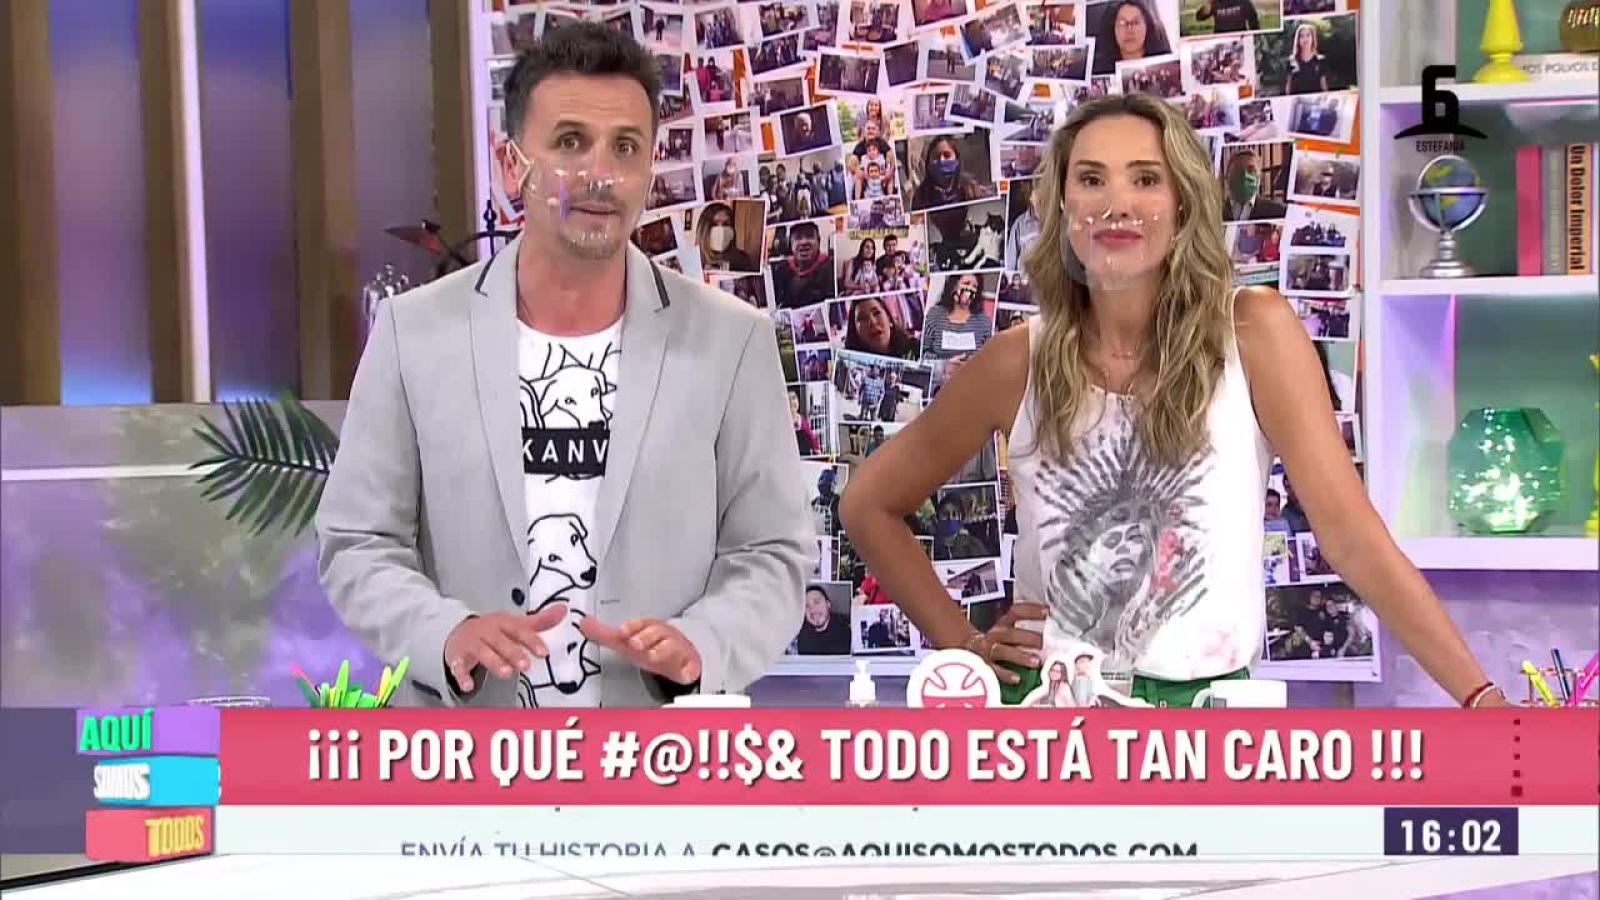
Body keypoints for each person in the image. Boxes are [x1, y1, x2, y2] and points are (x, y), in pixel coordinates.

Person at [837, 92, 1509, 709]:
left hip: (1208, 721)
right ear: (1062, 205)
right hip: (1049, 718)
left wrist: (1482, 700)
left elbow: (1353, 540)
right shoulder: (1016, 360)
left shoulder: (1255, 332)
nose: (1116, 203)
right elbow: (868, 504)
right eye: (1091, 179)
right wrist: (966, 645)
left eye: (1145, 179)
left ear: (1183, 201)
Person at [317, 24, 812, 710]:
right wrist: (443, 633)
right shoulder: (414, 334)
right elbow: (358, 542)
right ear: (510, 164)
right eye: (571, 142)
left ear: (649, 170)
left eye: (625, 147)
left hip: (661, 754)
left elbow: (774, 552)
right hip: (466, 752)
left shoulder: (732, 342)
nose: (599, 175)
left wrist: (704, 643)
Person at [922, 273, 995, 362]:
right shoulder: (935, 314)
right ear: (953, 286)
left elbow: (990, 356)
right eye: (966, 283)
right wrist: (946, 362)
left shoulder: (983, 322)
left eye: (975, 287)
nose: (970, 289)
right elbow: (923, 353)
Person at [1091, 1, 1171, 76]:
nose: (1129, 30)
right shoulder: (1097, 71)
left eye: (1136, 22)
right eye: (1122, 23)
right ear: (1112, 29)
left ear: (1147, 26)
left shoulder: (1167, 64)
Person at [911, 136, 989, 211]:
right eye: (935, 156)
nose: (941, 160)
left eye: (947, 155)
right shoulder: (921, 196)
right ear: (929, 162)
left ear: (957, 159)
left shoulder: (972, 189)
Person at [772, 221, 836, 308]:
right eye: (798, 237)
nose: (804, 242)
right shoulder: (782, 270)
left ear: (818, 241)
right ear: (790, 244)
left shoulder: (831, 269)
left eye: (809, 236)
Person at [846, 296, 921, 360]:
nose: (873, 322)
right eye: (862, 318)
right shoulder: (849, 363)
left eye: (876, 313)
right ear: (855, 331)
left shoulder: (917, 349)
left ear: (889, 320)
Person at [1222, 148, 1286, 222]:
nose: (1245, 175)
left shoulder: (1279, 212)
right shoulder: (1216, 210)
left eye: (1251, 170)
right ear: (1227, 177)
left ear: (1259, 178)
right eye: (1238, 170)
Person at [696, 201, 757, 272]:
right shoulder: (693, 261)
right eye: (714, 224)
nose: (721, 230)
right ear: (704, 229)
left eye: (726, 224)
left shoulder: (743, 260)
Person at [796, 587, 852, 654]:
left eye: (817, 602)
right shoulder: (798, 634)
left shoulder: (848, 628)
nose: (812, 610)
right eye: (807, 606)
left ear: (828, 604)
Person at [1286, 23, 1331, 95]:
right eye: (1302, 36)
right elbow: (1288, 86)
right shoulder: (1291, 61)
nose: (1305, 39)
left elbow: (1324, 85)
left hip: (1316, 100)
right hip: (1297, 100)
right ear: (1298, 40)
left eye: (1308, 35)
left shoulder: (1320, 60)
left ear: (1312, 38)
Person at [1194, 0, 1260, 34]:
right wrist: (1206, 7)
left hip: (1240, 39)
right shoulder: (1215, 2)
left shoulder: (1244, 2)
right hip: (1221, 40)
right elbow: (1199, 17)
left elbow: (1254, 23)